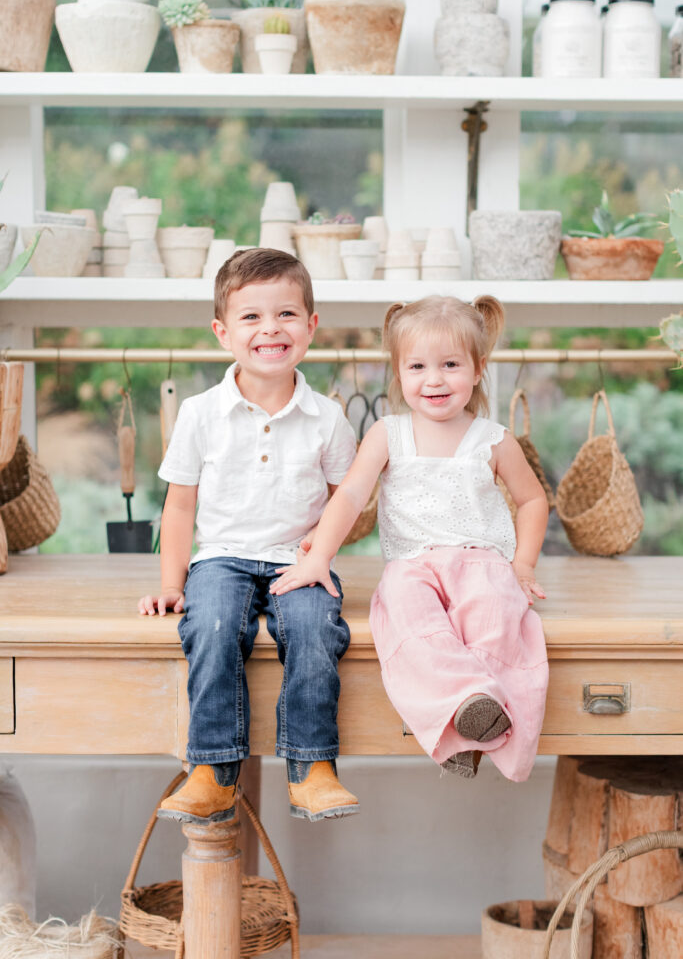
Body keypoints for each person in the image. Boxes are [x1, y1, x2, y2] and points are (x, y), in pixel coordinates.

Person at [272, 295, 549, 782]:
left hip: (480, 560)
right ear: (399, 373)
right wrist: (320, 557)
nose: (434, 379)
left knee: (495, 617)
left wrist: (522, 565)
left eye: (450, 365)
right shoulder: (387, 433)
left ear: (478, 369)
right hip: (411, 566)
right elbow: (351, 496)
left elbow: (532, 501)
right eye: (417, 366)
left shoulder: (493, 438)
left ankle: (470, 725)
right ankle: (464, 709)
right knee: (408, 622)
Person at [138, 248, 359, 823]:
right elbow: (180, 503)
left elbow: (349, 503)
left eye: (286, 314)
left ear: (311, 326)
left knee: (314, 628)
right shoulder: (199, 412)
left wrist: (321, 554)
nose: (270, 329)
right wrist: (171, 582)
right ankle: (212, 769)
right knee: (210, 627)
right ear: (222, 332)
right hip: (221, 559)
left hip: (300, 560)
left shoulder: (329, 418)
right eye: (251, 317)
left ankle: (312, 768)